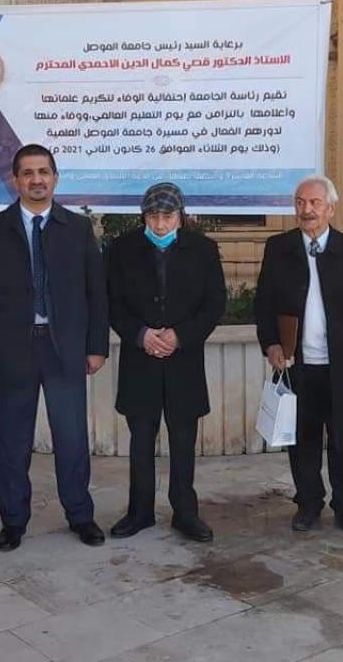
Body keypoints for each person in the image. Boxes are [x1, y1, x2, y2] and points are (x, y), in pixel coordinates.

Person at [0, 144, 109, 552]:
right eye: (27, 173)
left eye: (43, 172)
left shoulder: (77, 228)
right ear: (15, 180)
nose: (36, 179)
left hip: (64, 350)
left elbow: (96, 293)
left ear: (55, 178)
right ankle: (13, 521)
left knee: (72, 439)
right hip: (13, 351)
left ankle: (80, 515)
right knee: (12, 443)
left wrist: (96, 346)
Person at [254, 175, 343, 534]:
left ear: (331, 208)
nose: (306, 209)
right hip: (298, 365)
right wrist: (271, 343)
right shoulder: (278, 248)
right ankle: (308, 503)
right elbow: (264, 303)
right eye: (300, 202)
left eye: (314, 203)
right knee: (303, 441)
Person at [106, 183, 226, 542]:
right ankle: (139, 512)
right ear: (143, 216)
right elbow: (112, 302)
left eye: (167, 216)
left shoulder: (203, 250)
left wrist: (180, 335)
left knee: (183, 441)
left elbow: (214, 303)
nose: (160, 224)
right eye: (153, 216)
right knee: (141, 440)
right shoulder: (122, 249)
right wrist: (141, 335)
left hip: (183, 362)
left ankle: (185, 513)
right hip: (140, 361)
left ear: (180, 216)